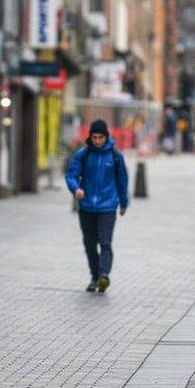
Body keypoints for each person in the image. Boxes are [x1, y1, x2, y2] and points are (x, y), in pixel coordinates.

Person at [64, 120, 129, 293]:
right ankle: (94, 276)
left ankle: (103, 275)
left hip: (107, 206)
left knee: (105, 242)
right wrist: (75, 188)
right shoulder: (83, 154)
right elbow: (71, 175)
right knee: (89, 243)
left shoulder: (115, 156)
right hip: (86, 207)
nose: (98, 141)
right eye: (94, 137)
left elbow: (122, 180)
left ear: (106, 137)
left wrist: (123, 202)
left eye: (101, 137)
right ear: (90, 137)